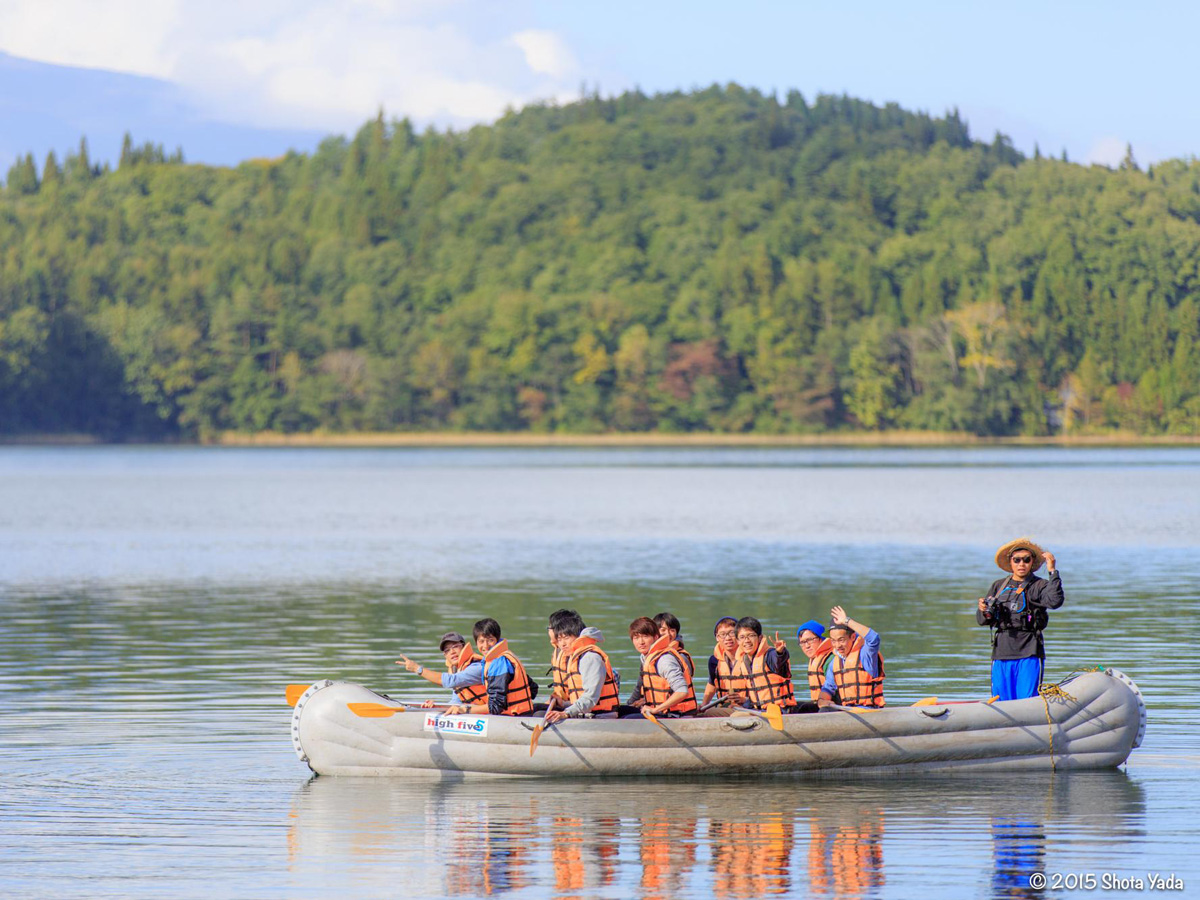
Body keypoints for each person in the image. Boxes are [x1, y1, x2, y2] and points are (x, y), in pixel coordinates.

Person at [976, 537, 1064, 701]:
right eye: (1017, 560)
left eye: (1026, 560)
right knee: (1000, 700)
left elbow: (1055, 601)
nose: (1021, 564)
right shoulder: (998, 586)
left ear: (1032, 563)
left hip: (1029, 651)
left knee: (1027, 700)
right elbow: (983, 620)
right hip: (1002, 652)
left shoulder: (1040, 585)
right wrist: (982, 610)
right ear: (1011, 563)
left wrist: (1052, 571)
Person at [441, 618, 537, 716]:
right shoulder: (491, 661)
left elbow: (496, 706)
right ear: (476, 643)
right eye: (481, 641)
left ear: (497, 640)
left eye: (490, 640)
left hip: (513, 717)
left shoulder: (498, 663)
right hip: (516, 713)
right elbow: (533, 689)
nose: (485, 646)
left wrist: (466, 710)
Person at [543, 610, 620, 723]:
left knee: (540, 714)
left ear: (578, 637)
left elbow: (591, 697)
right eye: (559, 639)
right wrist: (563, 704)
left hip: (600, 716)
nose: (562, 644)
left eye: (566, 638)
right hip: (587, 713)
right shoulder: (577, 657)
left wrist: (566, 713)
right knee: (539, 711)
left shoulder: (590, 658)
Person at [626, 616, 697, 717]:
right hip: (662, 711)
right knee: (622, 711)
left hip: (676, 714)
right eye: (636, 638)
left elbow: (682, 691)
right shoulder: (646, 658)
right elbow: (639, 687)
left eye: (645, 637)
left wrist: (655, 710)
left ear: (656, 637)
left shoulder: (664, 660)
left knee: (628, 718)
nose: (641, 642)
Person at [396, 631, 488, 708]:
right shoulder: (457, 671)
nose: (452, 652)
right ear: (445, 656)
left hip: (494, 716)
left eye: (455, 646)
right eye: (447, 650)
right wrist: (436, 707)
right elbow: (455, 703)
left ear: (463, 648)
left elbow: (450, 681)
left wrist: (417, 669)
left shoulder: (477, 667)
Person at [817, 606, 885, 709]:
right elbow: (827, 689)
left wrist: (846, 621)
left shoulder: (865, 655)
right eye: (833, 641)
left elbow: (874, 638)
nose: (837, 645)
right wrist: (823, 701)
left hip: (868, 712)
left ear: (853, 637)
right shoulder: (835, 663)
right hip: (847, 712)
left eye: (841, 640)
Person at [732, 616, 796, 710]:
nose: (746, 641)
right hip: (759, 710)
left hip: (780, 709)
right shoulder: (744, 661)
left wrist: (780, 653)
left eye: (751, 635)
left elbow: (778, 663)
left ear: (760, 637)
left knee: (736, 718)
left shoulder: (770, 655)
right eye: (742, 637)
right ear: (737, 641)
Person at [701, 615, 747, 711]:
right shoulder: (714, 661)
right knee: (700, 713)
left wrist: (744, 700)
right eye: (722, 634)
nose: (728, 638)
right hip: (725, 708)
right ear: (717, 638)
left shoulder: (749, 658)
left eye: (732, 633)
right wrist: (703, 706)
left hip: (747, 707)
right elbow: (712, 684)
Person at [795, 619, 836, 712]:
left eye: (810, 640)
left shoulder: (831, 660)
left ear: (822, 639)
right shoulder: (815, 660)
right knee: (796, 707)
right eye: (802, 642)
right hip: (819, 704)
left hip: (834, 705)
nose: (807, 646)